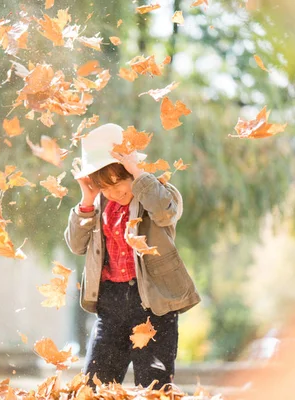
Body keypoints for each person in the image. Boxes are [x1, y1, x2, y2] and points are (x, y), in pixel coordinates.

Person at [64, 123, 201, 389]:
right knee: (94, 386)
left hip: (153, 304)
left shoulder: (156, 191)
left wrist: (139, 176)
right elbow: (76, 245)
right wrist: (87, 199)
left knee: (153, 388)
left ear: (130, 169)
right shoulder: (98, 204)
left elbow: (165, 213)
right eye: (105, 187)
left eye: (119, 183)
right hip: (111, 303)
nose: (115, 193)